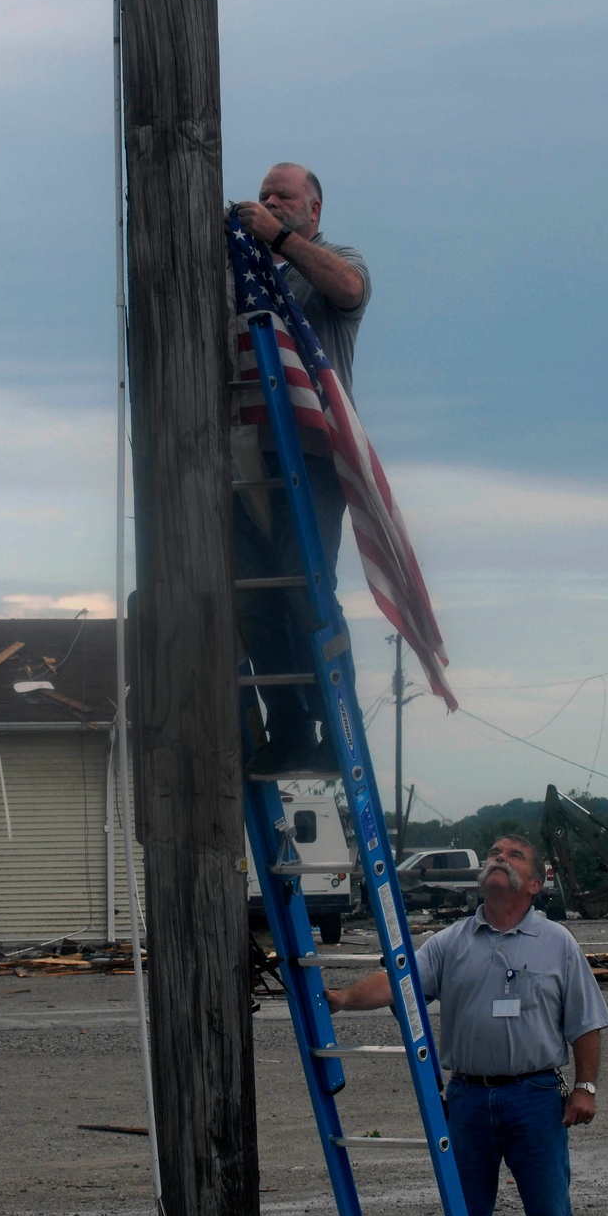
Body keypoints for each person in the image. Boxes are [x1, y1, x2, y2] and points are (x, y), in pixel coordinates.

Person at [325, 834, 608, 1216]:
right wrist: (340, 999)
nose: (499, 857)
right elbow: (396, 982)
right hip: (468, 1099)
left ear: (534, 883)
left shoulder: (557, 943)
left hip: (534, 1100)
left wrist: (585, 1087)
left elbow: (587, 1021)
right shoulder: (451, 941)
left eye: (514, 855)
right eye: (495, 852)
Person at [233, 163, 371, 778]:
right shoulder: (242, 269)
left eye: (282, 197)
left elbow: (348, 289)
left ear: (312, 209)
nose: (269, 202)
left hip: (311, 453)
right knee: (254, 600)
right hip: (245, 453)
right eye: (263, 196)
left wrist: (280, 239)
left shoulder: (333, 257)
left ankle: (334, 717)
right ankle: (286, 724)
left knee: (303, 581)